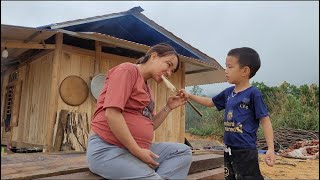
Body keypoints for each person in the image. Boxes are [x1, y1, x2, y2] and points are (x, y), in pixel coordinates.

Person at [87, 43, 192, 179]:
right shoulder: (128, 70)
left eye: (172, 71)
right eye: (168, 65)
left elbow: (150, 125)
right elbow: (112, 114)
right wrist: (137, 151)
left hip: (136, 149)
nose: (169, 73)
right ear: (153, 57)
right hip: (108, 148)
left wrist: (168, 107)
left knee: (182, 151)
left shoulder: (148, 90)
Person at [181, 47, 275, 179]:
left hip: (245, 150)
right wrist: (189, 95)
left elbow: (265, 121)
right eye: (226, 66)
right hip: (228, 148)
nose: (226, 70)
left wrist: (270, 148)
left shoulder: (254, 94)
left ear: (245, 71)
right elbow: (209, 102)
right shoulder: (228, 93)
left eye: (230, 67)